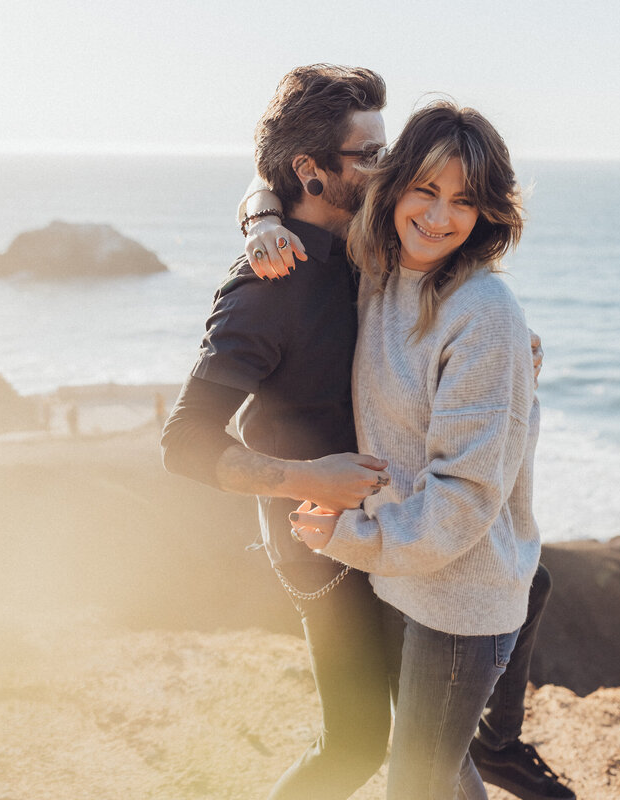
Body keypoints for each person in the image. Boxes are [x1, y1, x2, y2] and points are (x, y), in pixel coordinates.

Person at [242, 99, 572, 800]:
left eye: (464, 200)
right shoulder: (382, 271)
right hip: (406, 571)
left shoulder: (484, 315)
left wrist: (351, 533)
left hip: (460, 592)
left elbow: (463, 499)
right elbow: (281, 173)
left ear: (488, 212)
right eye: (425, 189)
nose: (439, 215)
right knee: (443, 777)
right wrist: (261, 217)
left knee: (417, 787)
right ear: (394, 190)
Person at [162, 65, 394, 799]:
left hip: (388, 517)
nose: (387, 168)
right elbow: (185, 442)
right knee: (357, 742)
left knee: (432, 721)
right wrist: (312, 478)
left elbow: (260, 181)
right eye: (371, 154)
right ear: (311, 169)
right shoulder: (266, 288)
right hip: (317, 535)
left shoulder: (361, 232)